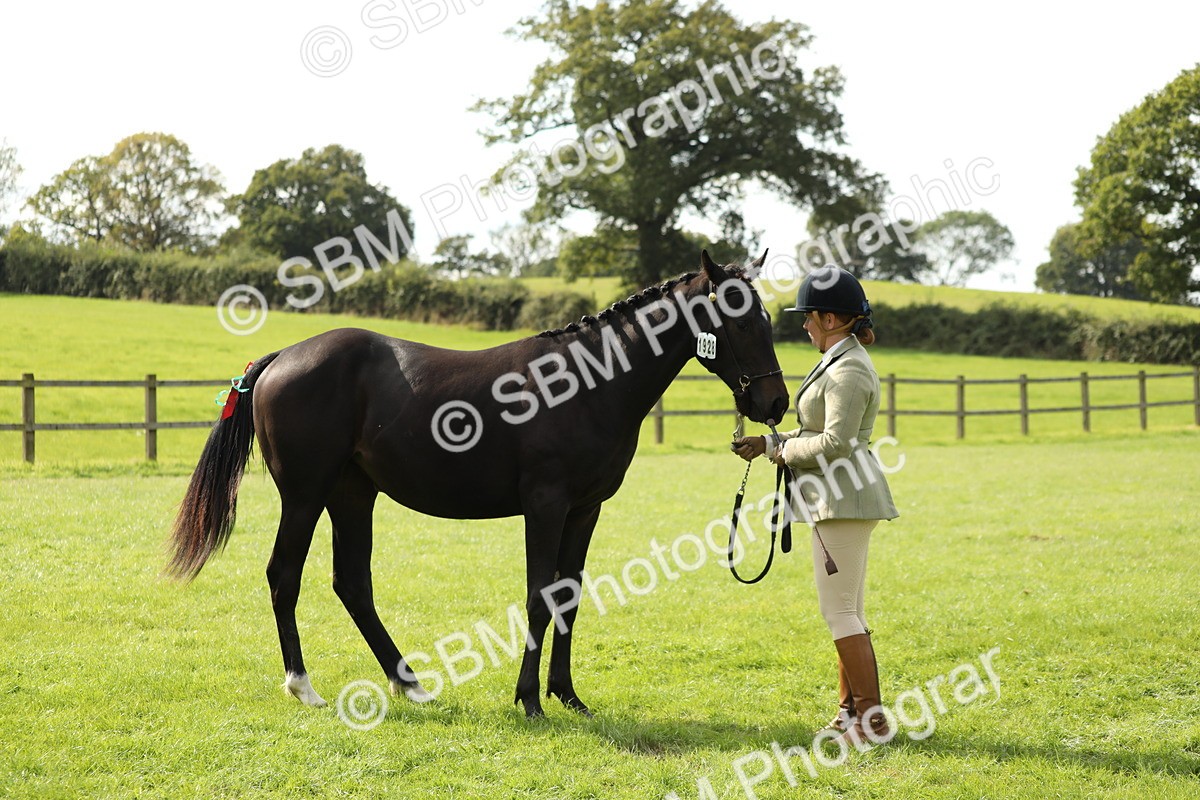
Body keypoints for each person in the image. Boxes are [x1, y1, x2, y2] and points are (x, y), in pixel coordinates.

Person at [731, 265, 899, 746]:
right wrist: (769, 443)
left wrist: (778, 450)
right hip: (836, 499)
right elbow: (817, 434)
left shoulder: (849, 369)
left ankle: (872, 723)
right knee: (848, 609)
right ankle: (851, 712)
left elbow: (835, 443)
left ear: (831, 319)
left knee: (840, 612)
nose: (803, 324)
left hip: (843, 498)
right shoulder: (838, 359)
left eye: (808, 316)